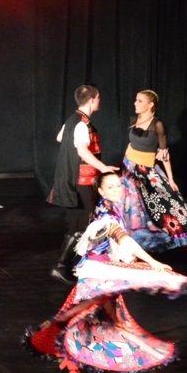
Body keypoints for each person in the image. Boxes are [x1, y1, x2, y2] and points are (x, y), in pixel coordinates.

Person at [26, 172, 187, 373]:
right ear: (101, 191)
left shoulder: (108, 208)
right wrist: (153, 262)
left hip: (101, 271)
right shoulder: (108, 215)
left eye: (118, 186)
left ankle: (71, 362)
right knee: (83, 317)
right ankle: (70, 362)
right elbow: (125, 242)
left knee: (95, 318)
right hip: (98, 273)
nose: (116, 190)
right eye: (110, 187)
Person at [120, 90, 187, 251]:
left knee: (165, 205)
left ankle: (156, 241)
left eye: (140, 101)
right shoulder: (135, 119)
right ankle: (129, 242)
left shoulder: (157, 125)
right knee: (130, 206)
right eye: (136, 100)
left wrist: (170, 179)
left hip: (145, 170)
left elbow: (164, 154)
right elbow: (130, 145)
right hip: (129, 168)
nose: (135, 103)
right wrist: (123, 166)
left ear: (151, 105)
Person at [46, 84, 119, 285]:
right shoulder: (81, 124)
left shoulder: (74, 120)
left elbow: (60, 137)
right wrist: (103, 168)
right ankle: (61, 266)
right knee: (79, 226)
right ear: (92, 99)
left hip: (77, 181)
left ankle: (71, 265)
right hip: (80, 183)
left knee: (79, 224)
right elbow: (82, 150)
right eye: (98, 97)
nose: (99, 100)